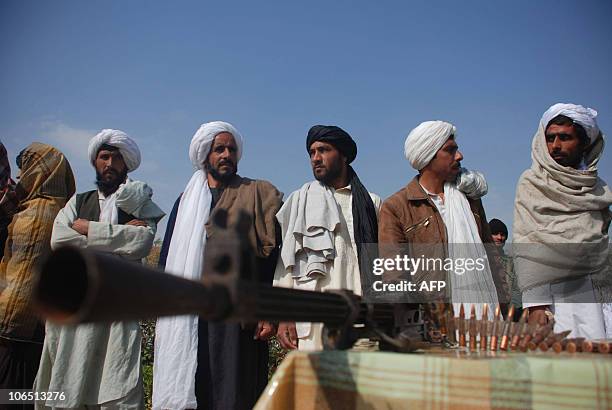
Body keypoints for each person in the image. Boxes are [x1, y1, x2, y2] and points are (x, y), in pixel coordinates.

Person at [153, 121, 282, 410]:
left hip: (239, 318)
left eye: (231, 149)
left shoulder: (257, 193)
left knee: (236, 392)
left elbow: (272, 260)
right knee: (195, 388)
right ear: (205, 155)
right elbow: (167, 261)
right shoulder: (185, 202)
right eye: (219, 149)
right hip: (191, 316)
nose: (226, 154)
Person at [34, 130, 164, 409]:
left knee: (115, 384)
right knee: (69, 378)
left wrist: (87, 229)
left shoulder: (140, 206)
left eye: (117, 158)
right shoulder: (79, 202)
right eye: (104, 157)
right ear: (95, 162)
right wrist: (119, 236)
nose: (110, 163)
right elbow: (60, 240)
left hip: (116, 310)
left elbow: (141, 243)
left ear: (126, 164)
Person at [379, 121, 508, 318]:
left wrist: (505, 309)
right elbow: (395, 277)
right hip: (432, 323)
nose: (459, 156)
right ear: (428, 156)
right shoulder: (397, 207)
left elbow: (491, 261)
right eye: (450, 150)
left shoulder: (469, 199)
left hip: (483, 317)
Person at [274, 125, 381, 351]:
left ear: (343, 156)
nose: (315, 158)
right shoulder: (299, 201)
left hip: (359, 315)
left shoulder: (372, 203)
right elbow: (286, 264)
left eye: (323, 150)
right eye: (312, 153)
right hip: (312, 317)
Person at [513, 103, 611, 338]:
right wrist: (536, 306)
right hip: (555, 300)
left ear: (584, 142)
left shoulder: (598, 190)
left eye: (565, 137)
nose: (555, 145)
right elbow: (527, 245)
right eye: (550, 138)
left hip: (599, 294)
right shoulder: (532, 183)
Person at [0, 143, 75, 409]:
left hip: (18, 334)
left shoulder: (40, 215)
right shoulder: (54, 208)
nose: (20, 178)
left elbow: (25, 278)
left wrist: (7, 328)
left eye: (26, 170)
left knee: (11, 397)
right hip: (36, 330)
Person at [489, 218, 522, 320]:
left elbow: (517, 291)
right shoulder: (480, 260)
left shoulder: (512, 263)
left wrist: (508, 311)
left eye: (503, 234)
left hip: (509, 316)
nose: (500, 237)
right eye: (495, 234)